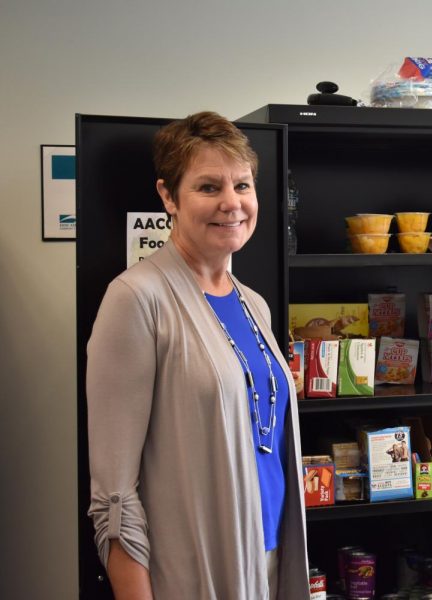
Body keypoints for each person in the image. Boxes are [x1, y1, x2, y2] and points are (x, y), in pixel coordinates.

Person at [86, 111, 310, 599]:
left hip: (273, 558)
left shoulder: (254, 304)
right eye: (209, 187)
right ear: (168, 196)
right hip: (194, 572)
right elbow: (113, 498)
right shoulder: (136, 299)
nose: (232, 203)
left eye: (243, 186)